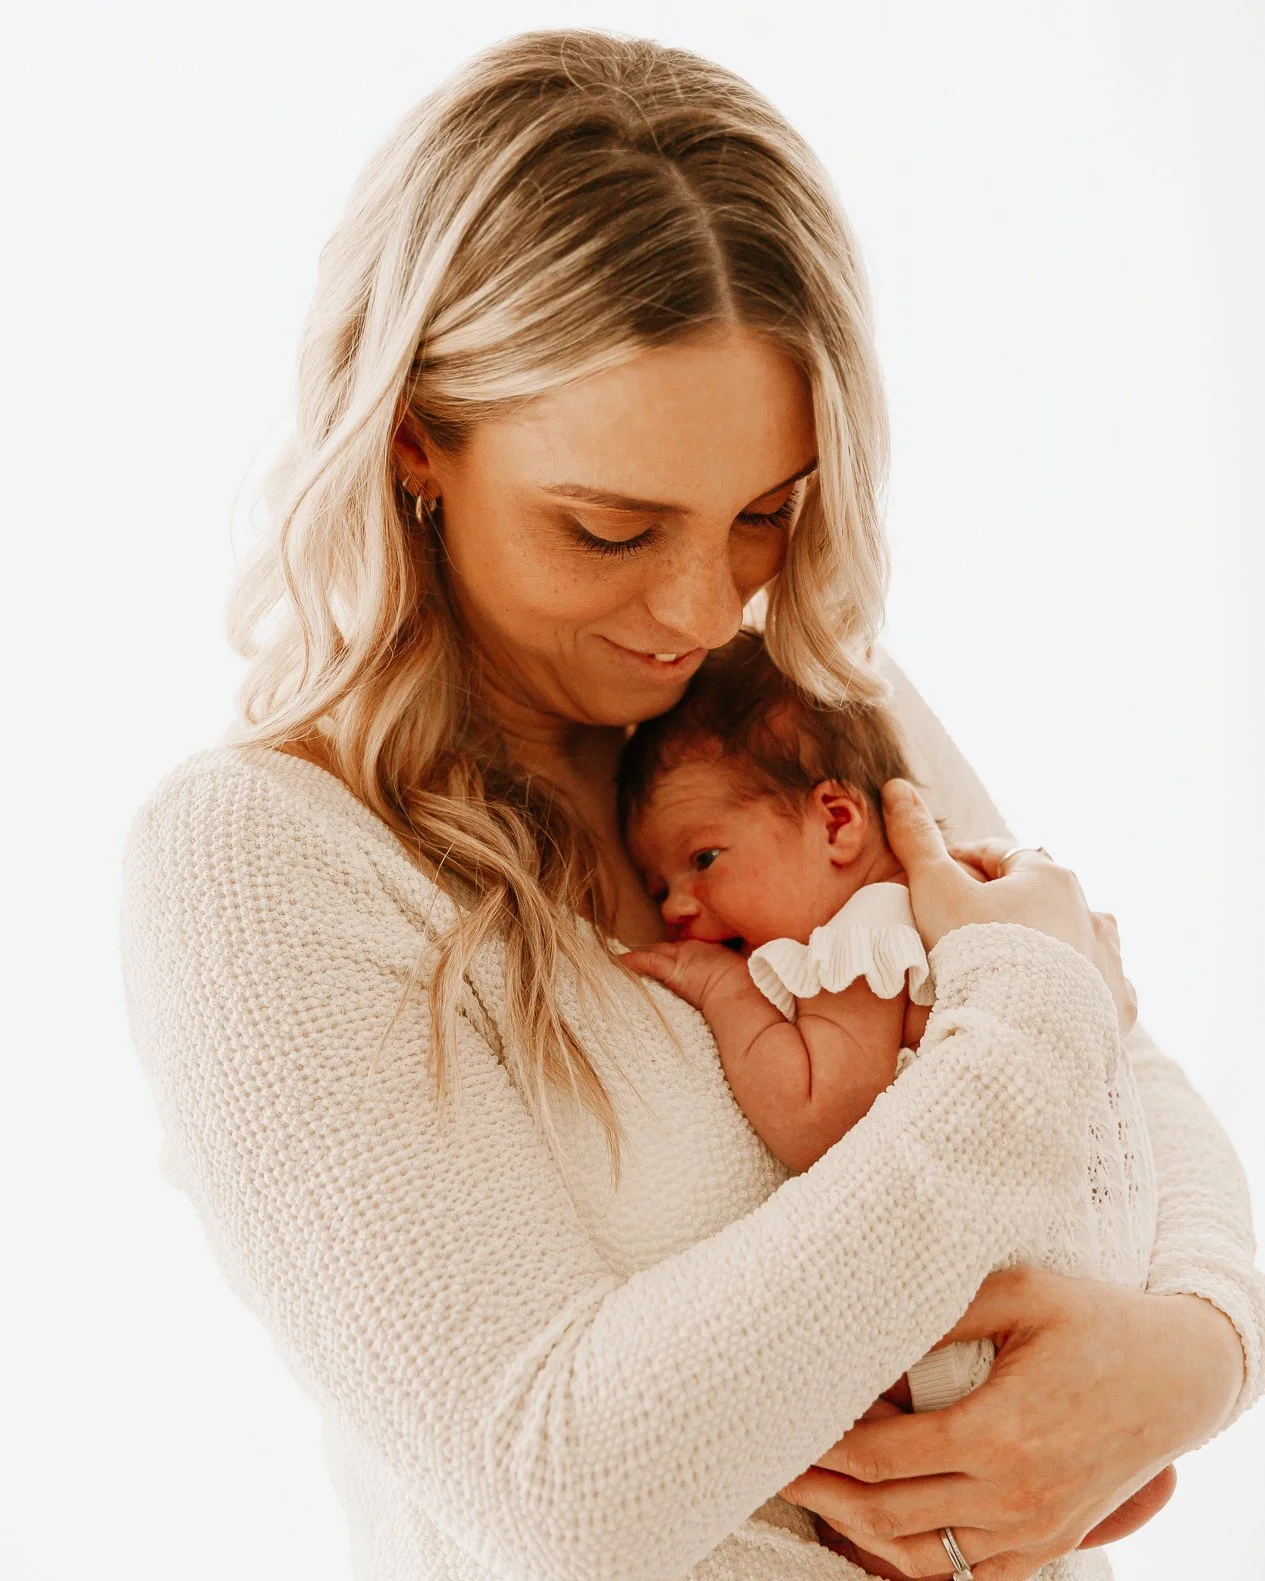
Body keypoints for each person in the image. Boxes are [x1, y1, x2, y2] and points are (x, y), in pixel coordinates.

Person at [117, 27, 1263, 1581]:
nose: (699, 606)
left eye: (766, 516)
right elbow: (565, 1481)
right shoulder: (262, 865)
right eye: (607, 527)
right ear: (413, 439)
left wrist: (1198, 1352)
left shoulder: (799, 695)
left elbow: (1131, 1087)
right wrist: (1022, 1047)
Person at [616, 629, 1163, 1576]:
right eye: (660, 882)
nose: (675, 905)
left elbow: (818, 1114)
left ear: (837, 822)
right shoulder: (953, 900)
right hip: (1108, 1265)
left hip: (990, 1296)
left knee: (870, 1474)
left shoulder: (860, 940)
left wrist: (719, 989)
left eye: (703, 858)